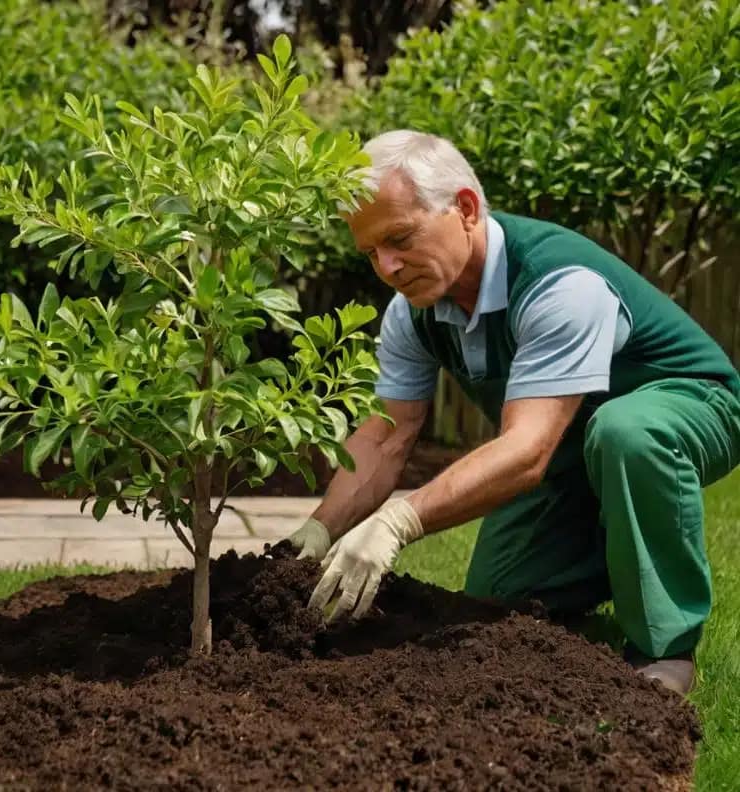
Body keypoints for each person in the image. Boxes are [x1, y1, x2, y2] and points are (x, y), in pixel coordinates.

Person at [287, 130, 740, 695]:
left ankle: (665, 646)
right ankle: (624, 548)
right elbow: (386, 436)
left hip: (690, 405)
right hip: (574, 445)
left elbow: (527, 453)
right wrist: (321, 528)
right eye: (371, 252)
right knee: (495, 599)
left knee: (626, 432)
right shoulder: (414, 313)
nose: (388, 266)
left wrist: (399, 521)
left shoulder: (558, 284)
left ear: (466, 209)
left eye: (400, 237)